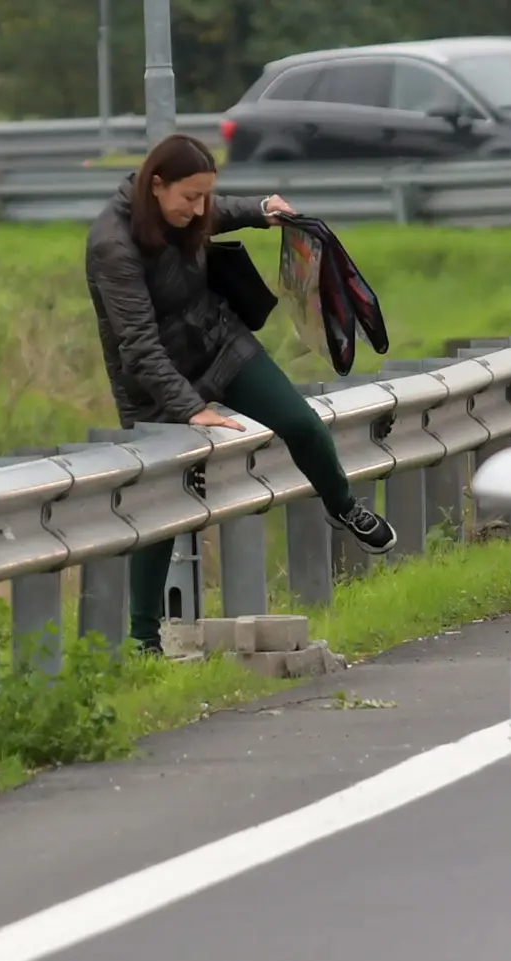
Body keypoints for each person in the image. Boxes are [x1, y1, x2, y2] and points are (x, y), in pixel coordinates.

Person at [85, 133, 396, 655]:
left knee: (300, 422)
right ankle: (143, 639)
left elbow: (219, 212)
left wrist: (260, 209)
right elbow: (137, 344)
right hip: (156, 381)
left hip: (219, 342)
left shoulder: (188, 210)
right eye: (189, 197)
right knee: (160, 503)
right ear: (155, 187)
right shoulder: (113, 245)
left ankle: (343, 506)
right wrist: (191, 409)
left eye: (205, 195)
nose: (199, 208)